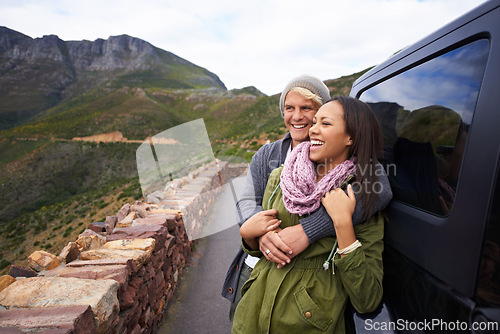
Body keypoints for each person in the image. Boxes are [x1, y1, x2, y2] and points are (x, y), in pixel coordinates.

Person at [232, 96, 393, 333]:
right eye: (314, 122)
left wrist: (343, 226)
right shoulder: (280, 177)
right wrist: (249, 237)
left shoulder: (363, 198)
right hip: (249, 320)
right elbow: (268, 244)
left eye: (325, 124)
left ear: (351, 136)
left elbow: (368, 300)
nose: (313, 129)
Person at [222, 75, 332, 320]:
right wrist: (262, 234)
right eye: (289, 108)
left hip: (303, 281)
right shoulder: (268, 154)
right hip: (253, 268)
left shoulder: (334, 154)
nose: (296, 116)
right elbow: (247, 200)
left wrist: (309, 230)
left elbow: (376, 191)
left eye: (306, 108)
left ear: (322, 111)